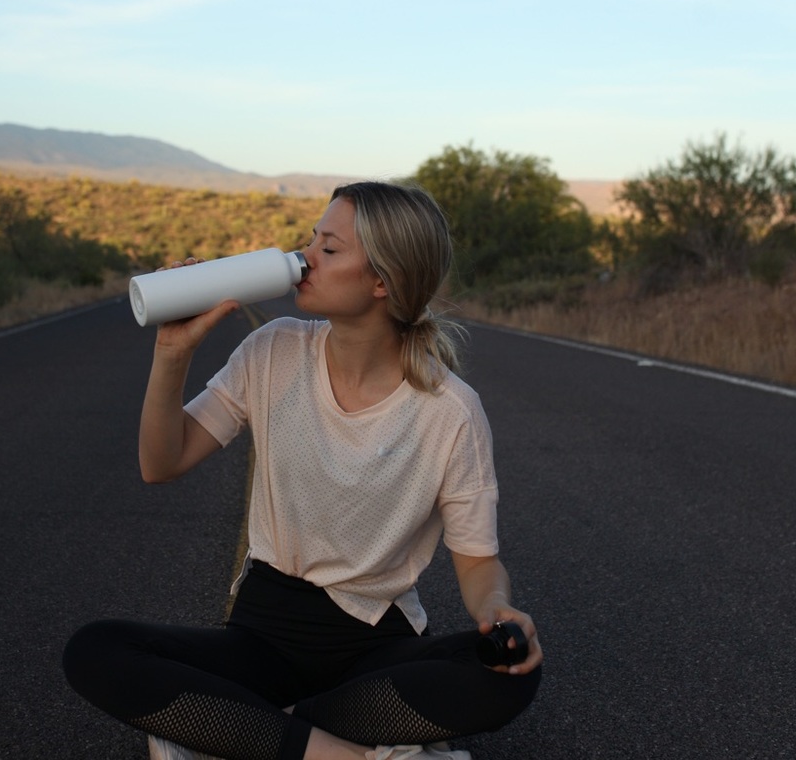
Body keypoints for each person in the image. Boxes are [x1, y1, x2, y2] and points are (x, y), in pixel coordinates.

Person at [63, 181, 542, 760]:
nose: (305, 256)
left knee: (510, 672)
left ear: (383, 281)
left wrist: (496, 609)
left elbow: (478, 561)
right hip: (263, 635)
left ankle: (246, 730)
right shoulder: (274, 349)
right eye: (311, 239)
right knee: (96, 650)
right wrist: (172, 353)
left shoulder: (451, 411)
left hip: (376, 645)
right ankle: (342, 751)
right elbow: (160, 463)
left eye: (329, 248)